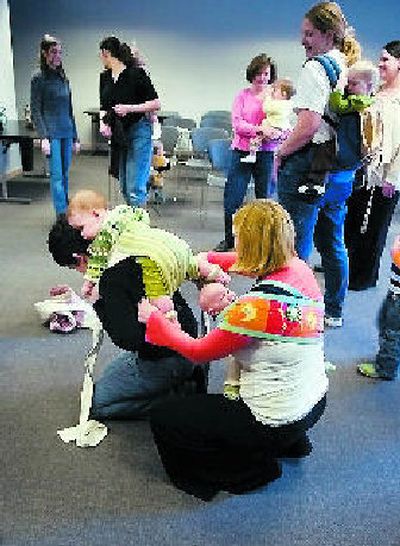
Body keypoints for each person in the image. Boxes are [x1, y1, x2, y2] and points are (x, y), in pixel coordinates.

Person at [138, 200, 327, 501]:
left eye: (239, 237)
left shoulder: (254, 309)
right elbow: (244, 259)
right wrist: (204, 258)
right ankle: (290, 442)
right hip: (314, 404)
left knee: (164, 416)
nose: (235, 243)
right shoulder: (299, 269)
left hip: (272, 420)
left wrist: (158, 324)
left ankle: (248, 471)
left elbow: (198, 352)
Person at [47, 217, 209, 419]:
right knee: (109, 378)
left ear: (80, 258)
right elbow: (126, 305)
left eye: (75, 267)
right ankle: (185, 376)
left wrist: (97, 300)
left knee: (95, 404)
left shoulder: (110, 279)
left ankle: (180, 396)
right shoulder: (131, 246)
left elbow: (127, 339)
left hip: (165, 357)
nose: (80, 273)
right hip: (186, 340)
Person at [276, 2, 361, 327]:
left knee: (295, 243)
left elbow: (309, 125)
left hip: (309, 166)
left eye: (309, 34)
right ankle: (334, 311)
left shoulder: (315, 68)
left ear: (327, 34)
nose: (303, 41)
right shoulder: (348, 66)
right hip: (339, 169)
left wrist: (282, 152)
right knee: (333, 242)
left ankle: (296, 314)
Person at [67, 189, 229, 303]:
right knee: (192, 264)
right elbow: (143, 216)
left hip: (155, 260)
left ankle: (170, 320)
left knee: (157, 297)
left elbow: (97, 263)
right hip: (173, 244)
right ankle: (218, 274)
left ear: (96, 214)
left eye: (81, 228)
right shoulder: (123, 212)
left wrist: (89, 283)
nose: (82, 235)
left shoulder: (104, 235)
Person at [344, 41, 400, 291]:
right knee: (353, 220)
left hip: (387, 173)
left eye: (386, 59)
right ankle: (349, 268)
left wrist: (394, 177)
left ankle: (364, 277)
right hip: (362, 169)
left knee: (376, 225)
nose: (380, 64)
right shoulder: (375, 93)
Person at [214, 54, 279, 251]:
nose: (262, 77)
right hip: (242, 152)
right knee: (233, 199)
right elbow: (238, 124)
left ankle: (262, 243)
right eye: (259, 73)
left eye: (266, 73)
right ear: (252, 74)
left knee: (264, 200)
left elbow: (282, 123)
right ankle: (230, 239)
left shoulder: (275, 96)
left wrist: (276, 132)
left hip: (266, 154)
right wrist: (259, 130)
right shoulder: (242, 96)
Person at [98, 36, 160, 208]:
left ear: (107, 53)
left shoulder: (136, 74)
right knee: (125, 187)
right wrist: (104, 124)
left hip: (139, 131)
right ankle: (133, 222)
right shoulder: (105, 77)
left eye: (101, 55)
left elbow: (155, 103)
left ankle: (139, 228)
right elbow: (104, 105)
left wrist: (128, 108)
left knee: (135, 188)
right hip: (120, 134)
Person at [30, 34, 80, 218]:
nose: (58, 56)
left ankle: (66, 210)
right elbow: (36, 110)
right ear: (45, 53)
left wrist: (76, 137)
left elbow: (70, 109)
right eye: (53, 52)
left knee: (65, 175)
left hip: (66, 132)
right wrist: (43, 137)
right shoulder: (38, 79)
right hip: (51, 134)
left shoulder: (63, 78)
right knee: (57, 176)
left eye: (60, 52)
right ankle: (61, 214)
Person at [358, 236, 400, 380]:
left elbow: (397, 254)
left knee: (391, 331)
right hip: (395, 291)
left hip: (398, 296)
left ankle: (385, 367)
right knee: (383, 321)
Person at [241, 78, 296, 163]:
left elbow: (266, 108)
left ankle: (252, 156)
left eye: (275, 90)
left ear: (284, 94)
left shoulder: (280, 104)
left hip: (274, 128)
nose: (273, 92)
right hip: (280, 129)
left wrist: (268, 96)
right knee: (263, 144)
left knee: (255, 141)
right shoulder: (289, 104)